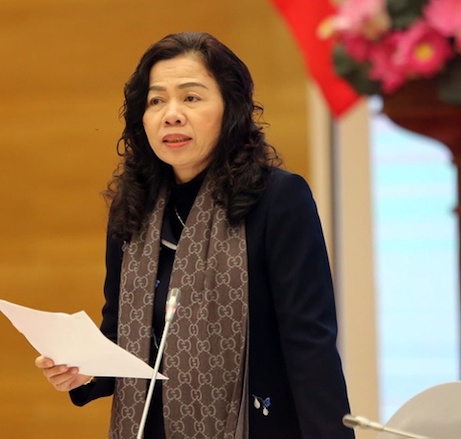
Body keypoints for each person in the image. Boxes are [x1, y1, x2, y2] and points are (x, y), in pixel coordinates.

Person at [35, 31, 354, 439]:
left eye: (191, 97)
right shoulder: (133, 208)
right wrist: (81, 370)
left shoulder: (278, 201)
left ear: (230, 109)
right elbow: (121, 337)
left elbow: (309, 344)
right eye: (156, 101)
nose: (171, 114)